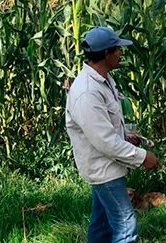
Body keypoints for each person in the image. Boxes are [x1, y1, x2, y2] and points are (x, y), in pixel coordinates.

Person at [66, 26, 159, 243]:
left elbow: (102, 127)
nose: (120, 53)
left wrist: (124, 134)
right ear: (106, 54)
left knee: (101, 226)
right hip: (103, 169)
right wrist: (143, 156)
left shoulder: (103, 79)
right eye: (117, 49)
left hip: (106, 165)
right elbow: (105, 141)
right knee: (126, 225)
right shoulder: (87, 92)